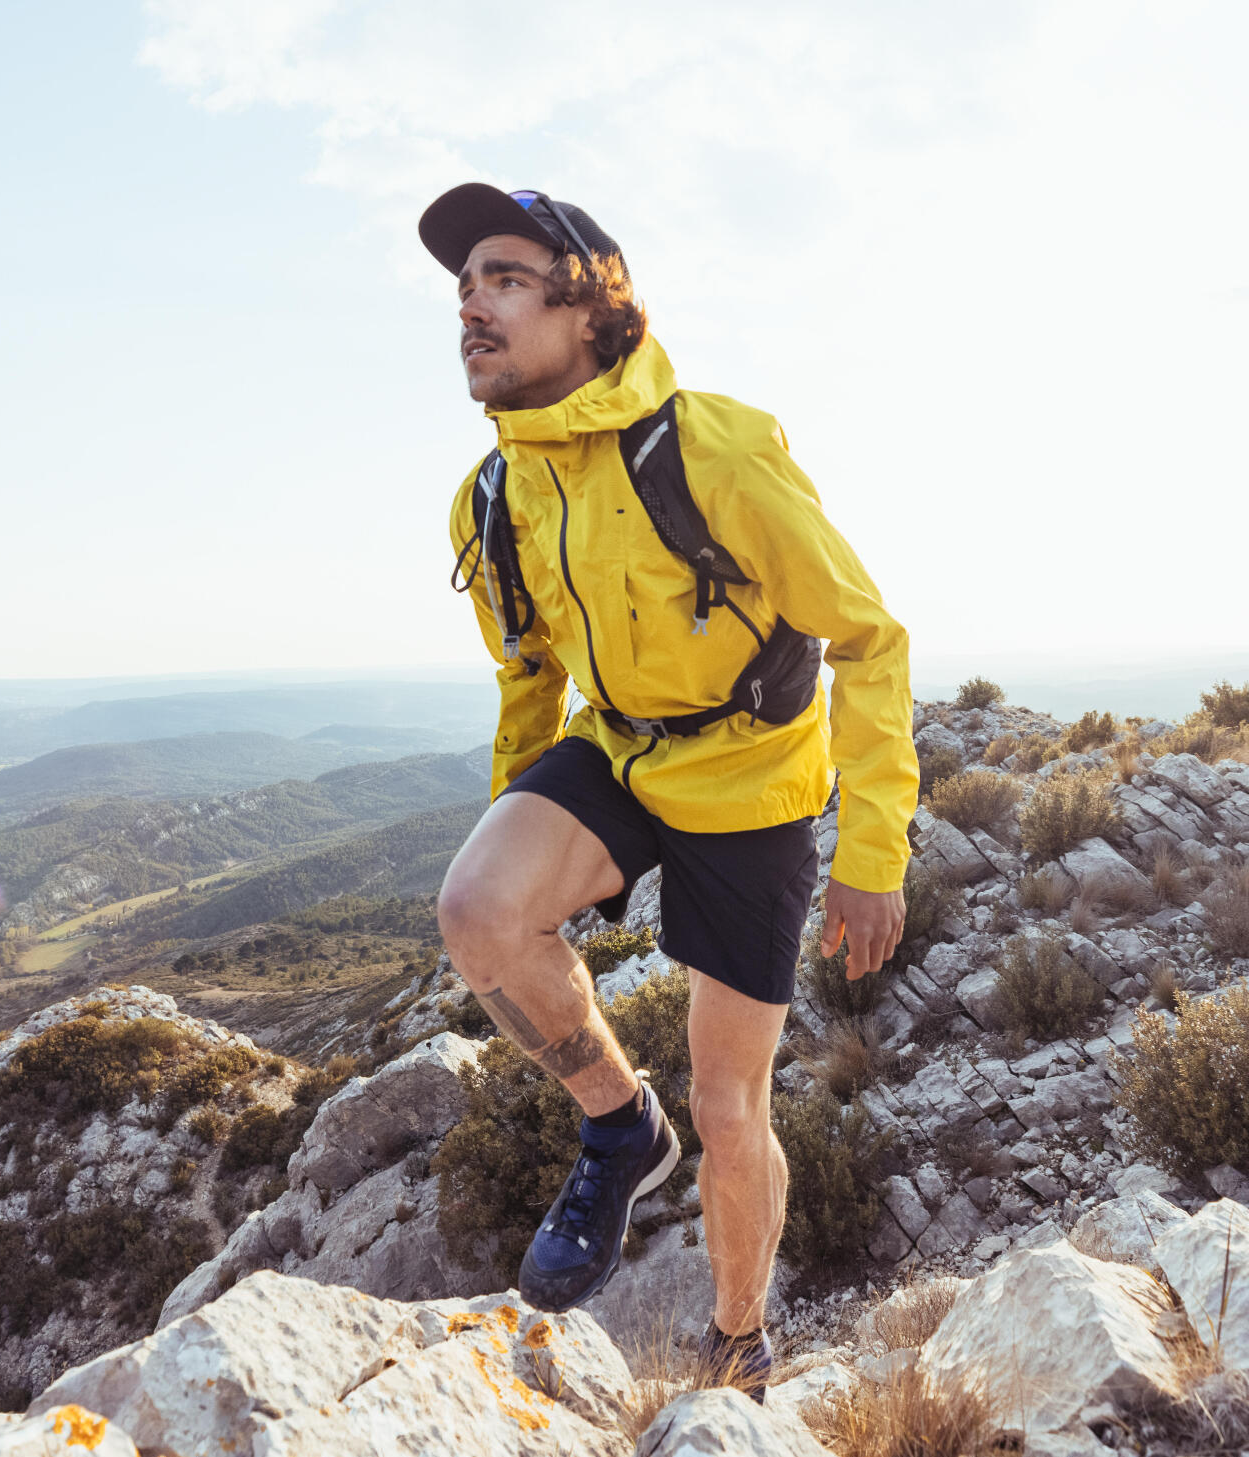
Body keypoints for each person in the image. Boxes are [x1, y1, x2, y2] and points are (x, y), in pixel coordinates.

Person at [422, 183, 920, 1401]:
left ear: (592, 305)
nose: (469, 307)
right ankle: (615, 1123)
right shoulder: (495, 492)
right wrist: (518, 826)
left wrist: (874, 847)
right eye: (460, 288)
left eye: (502, 278)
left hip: (753, 777)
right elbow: (531, 672)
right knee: (478, 911)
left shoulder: (717, 446)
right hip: (624, 748)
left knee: (731, 1097)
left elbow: (870, 638)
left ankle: (738, 1339)